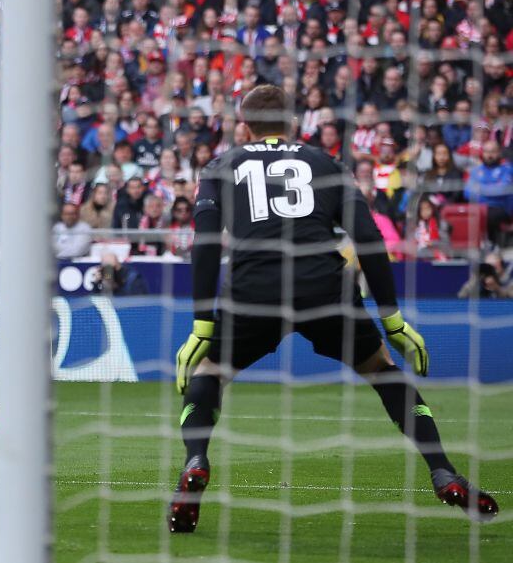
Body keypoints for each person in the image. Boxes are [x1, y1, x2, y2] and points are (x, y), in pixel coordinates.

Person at [169, 85, 498, 532]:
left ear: (244, 126)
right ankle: (442, 470)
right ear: (295, 122)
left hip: (255, 287)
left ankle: (195, 463)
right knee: (382, 370)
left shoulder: (220, 166)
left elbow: (205, 246)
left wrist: (202, 324)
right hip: (323, 286)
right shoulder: (326, 163)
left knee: (209, 373)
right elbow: (369, 240)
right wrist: (393, 319)